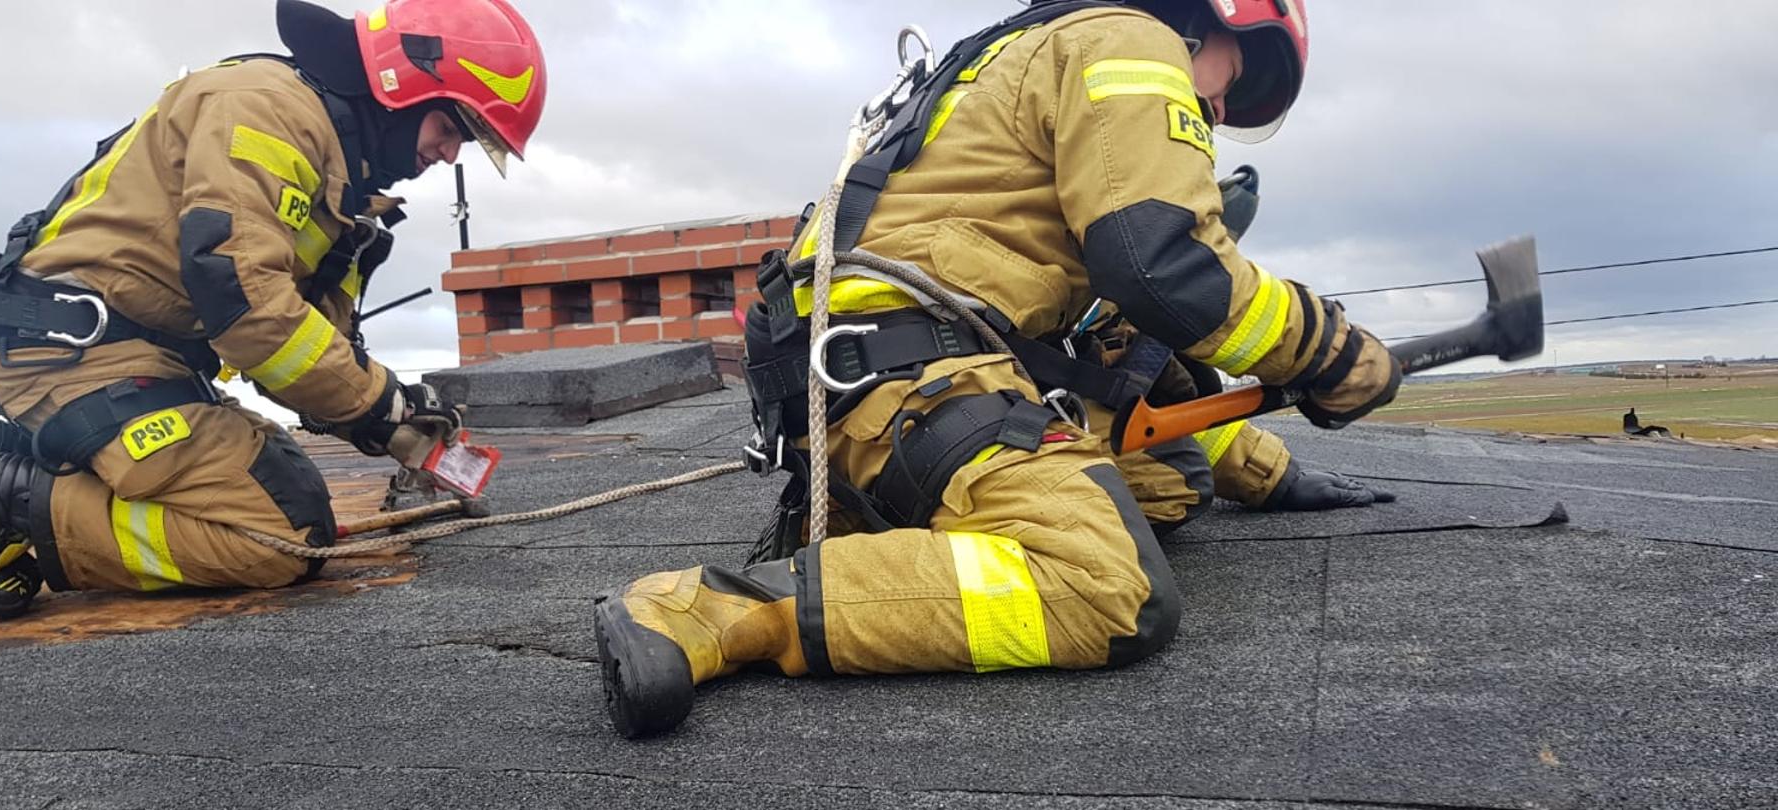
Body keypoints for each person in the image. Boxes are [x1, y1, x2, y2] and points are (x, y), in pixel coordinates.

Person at [594, 0, 1399, 738]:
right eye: (1238, 75)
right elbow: (1168, 269)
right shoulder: (1131, 40)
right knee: (1106, 585)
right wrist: (1336, 353)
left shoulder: (1029, 63)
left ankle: (900, 536)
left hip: (873, 372)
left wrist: (1266, 471)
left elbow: (1128, 372)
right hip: (904, 372)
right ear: (1204, 16)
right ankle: (708, 611)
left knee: (1167, 479)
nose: (1219, 109)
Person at [0, 0, 546, 619]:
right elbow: (247, 307)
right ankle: (1, 502)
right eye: (451, 128)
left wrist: (389, 424)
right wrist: (385, 403)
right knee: (279, 537)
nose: (449, 154)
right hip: (74, 356)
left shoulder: (340, 176)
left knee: (290, 490)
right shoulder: (267, 111)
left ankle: (25, 456)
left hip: (123, 359)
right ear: (402, 84)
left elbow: (307, 340)